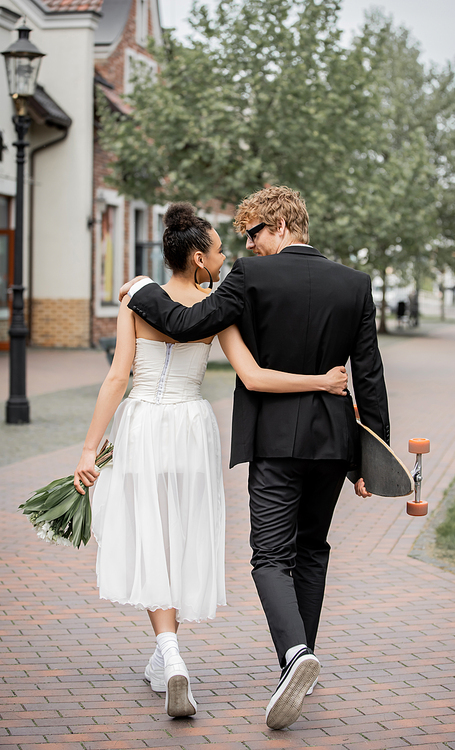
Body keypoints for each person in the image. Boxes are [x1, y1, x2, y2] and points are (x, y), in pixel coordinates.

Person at [120, 186, 390, 730]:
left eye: (255, 233)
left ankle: (295, 657)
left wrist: (139, 292)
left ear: (283, 226)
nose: (250, 243)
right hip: (335, 443)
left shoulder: (250, 276)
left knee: (270, 557)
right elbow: (369, 372)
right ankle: (301, 658)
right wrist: (372, 457)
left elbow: (183, 324)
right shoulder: (354, 284)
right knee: (312, 549)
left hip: (274, 440)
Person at [74, 202, 348, 720]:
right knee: (177, 537)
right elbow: (257, 377)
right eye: (221, 250)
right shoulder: (218, 309)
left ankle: (171, 656)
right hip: (191, 430)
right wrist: (323, 381)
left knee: (150, 535)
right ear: (199, 259)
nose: (229, 257)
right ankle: (169, 658)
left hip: (142, 423)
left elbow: (116, 379)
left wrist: (90, 447)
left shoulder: (137, 298)